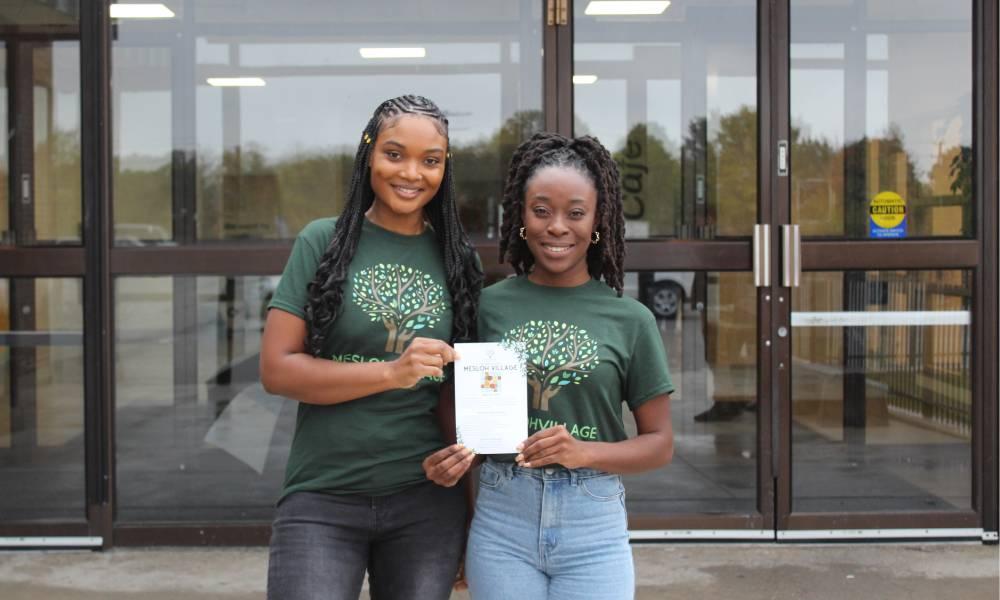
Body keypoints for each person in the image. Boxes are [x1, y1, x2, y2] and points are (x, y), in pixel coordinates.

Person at [424, 132, 675, 599]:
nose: (557, 226)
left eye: (575, 213)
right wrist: (462, 459)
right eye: (541, 210)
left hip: (593, 524)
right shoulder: (485, 308)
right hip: (502, 519)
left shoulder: (631, 320)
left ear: (598, 220)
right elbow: (451, 407)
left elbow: (659, 444)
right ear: (520, 216)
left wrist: (585, 451)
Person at [260, 95, 482, 600]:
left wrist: (468, 497)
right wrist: (391, 372)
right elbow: (277, 370)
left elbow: (456, 393)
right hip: (323, 495)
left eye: (431, 161)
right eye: (395, 154)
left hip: (425, 502)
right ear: (369, 155)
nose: (412, 173)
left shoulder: (457, 260)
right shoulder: (324, 241)